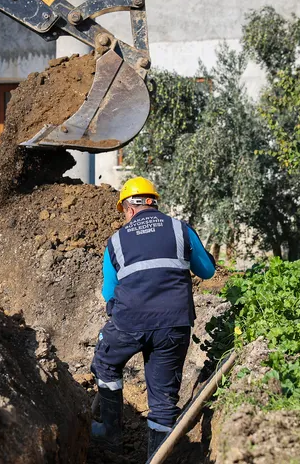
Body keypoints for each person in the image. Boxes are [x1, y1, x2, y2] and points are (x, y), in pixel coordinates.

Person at [91, 177, 216, 459]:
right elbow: (207, 271)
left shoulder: (116, 241)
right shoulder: (179, 229)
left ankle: (111, 435)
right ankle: (154, 457)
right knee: (162, 401)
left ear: (129, 209)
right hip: (174, 323)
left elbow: (108, 293)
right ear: (153, 202)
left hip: (129, 322)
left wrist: (118, 316)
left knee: (105, 363)